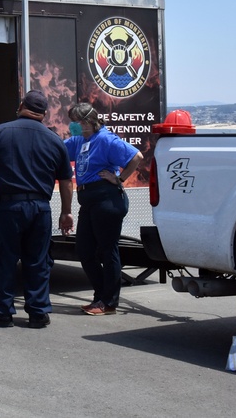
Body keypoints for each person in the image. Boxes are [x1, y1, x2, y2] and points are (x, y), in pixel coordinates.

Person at [0, 90, 74, 328]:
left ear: (21, 106)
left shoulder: (0, 132)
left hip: (9, 206)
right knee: (38, 260)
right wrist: (66, 211)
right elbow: (66, 181)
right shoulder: (55, 140)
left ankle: (2, 312)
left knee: (4, 259)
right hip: (40, 208)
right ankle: (38, 313)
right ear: (44, 114)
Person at [65, 102, 144, 316]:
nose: (73, 126)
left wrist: (119, 179)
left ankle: (108, 302)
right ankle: (100, 295)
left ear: (89, 122)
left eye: (77, 122)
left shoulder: (107, 139)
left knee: (108, 251)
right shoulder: (81, 140)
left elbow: (136, 157)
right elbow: (57, 149)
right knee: (84, 250)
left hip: (106, 199)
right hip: (88, 200)